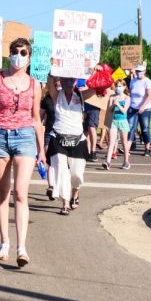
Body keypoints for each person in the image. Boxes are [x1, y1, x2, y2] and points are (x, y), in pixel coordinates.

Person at [0, 38, 44, 268]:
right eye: (15, 51)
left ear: (29, 56)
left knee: (21, 192)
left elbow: (36, 119)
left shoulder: (35, 84)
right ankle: (4, 242)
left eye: (23, 52)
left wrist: (42, 149)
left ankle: (21, 247)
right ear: (9, 54)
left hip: (25, 137)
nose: (19, 55)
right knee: (3, 191)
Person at [46, 75, 88, 214]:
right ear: (61, 81)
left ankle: (74, 194)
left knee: (77, 174)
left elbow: (98, 88)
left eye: (72, 79)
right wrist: (54, 70)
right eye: (65, 79)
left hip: (78, 140)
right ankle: (65, 202)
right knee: (61, 171)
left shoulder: (82, 95)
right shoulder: (56, 95)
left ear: (76, 80)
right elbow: (50, 83)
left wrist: (97, 71)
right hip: (58, 138)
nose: (68, 82)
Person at [103, 80, 132, 170]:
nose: (118, 88)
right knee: (111, 141)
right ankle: (108, 161)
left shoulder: (127, 98)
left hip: (122, 121)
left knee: (124, 142)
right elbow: (109, 110)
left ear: (124, 87)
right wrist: (113, 104)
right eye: (117, 86)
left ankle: (126, 161)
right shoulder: (112, 96)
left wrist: (118, 104)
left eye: (120, 86)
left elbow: (124, 111)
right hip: (113, 121)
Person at [127, 64, 151, 156]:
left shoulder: (147, 81)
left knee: (145, 128)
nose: (138, 73)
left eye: (140, 71)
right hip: (133, 107)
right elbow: (130, 94)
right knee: (130, 128)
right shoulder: (132, 81)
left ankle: (147, 148)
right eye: (137, 71)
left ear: (144, 71)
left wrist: (143, 106)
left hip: (145, 108)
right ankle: (127, 149)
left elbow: (149, 95)